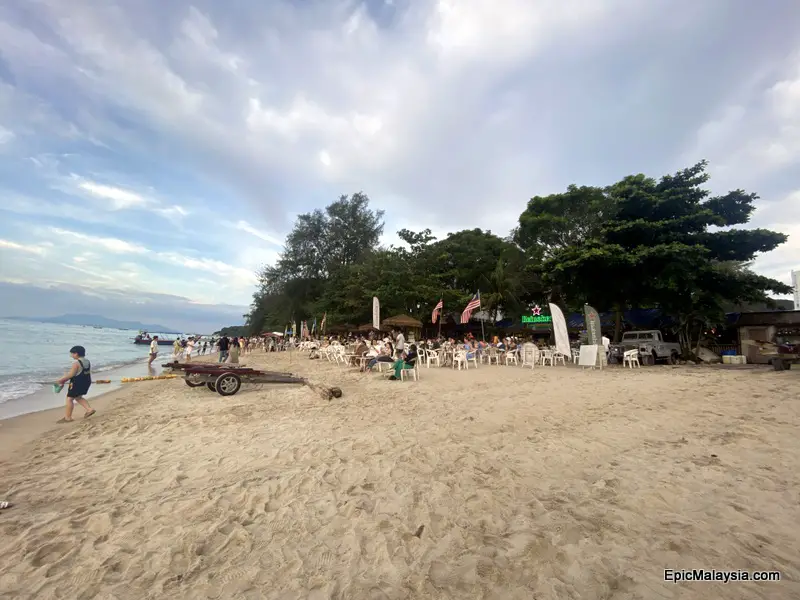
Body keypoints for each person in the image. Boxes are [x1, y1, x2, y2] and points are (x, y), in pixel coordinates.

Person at [55, 345, 95, 423]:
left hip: (77, 383)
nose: (71, 356)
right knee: (78, 397)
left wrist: (60, 380)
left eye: (72, 354)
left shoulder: (76, 364)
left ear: (76, 354)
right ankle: (90, 409)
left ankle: (68, 418)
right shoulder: (87, 361)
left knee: (69, 399)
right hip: (86, 382)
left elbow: (71, 375)